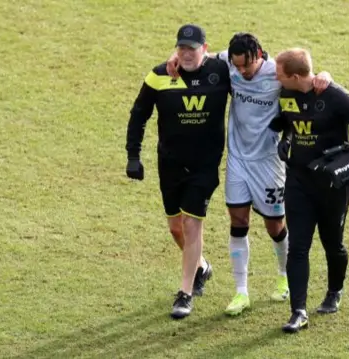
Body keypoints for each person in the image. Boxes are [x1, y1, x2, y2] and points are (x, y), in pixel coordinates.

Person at [166, 33, 332, 316]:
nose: (241, 72)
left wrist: (324, 75)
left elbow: (306, 76)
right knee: (238, 219)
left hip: (267, 162)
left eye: (246, 66)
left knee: (274, 225)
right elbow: (198, 57)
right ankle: (241, 292)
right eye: (237, 66)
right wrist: (174, 58)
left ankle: (284, 277)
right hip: (238, 160)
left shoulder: (275, 72)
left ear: (258, 55)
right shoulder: (229, 63)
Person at [125, 24, 231, 319]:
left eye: (192, 49)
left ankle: (185, 294)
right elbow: (138, 114)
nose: (186, 54)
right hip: (169, 164)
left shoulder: (221, 73)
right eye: (181, 48)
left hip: (204, 166)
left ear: (205, 49)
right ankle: (202, 267)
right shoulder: (160, 75)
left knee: (189, 223)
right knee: (175, 228)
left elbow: (259, 61)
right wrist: (133, 155)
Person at [268, 48, 349, 333]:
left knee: (333, 244)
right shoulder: (286, 94)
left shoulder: (334, 96)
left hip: (331, 185)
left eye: (280, 74)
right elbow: (292, 121)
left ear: (294, 76)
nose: (275, 78)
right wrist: (286, 136)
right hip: (298, 182)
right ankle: (299, 311)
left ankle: (334, 291)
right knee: (298, 247)